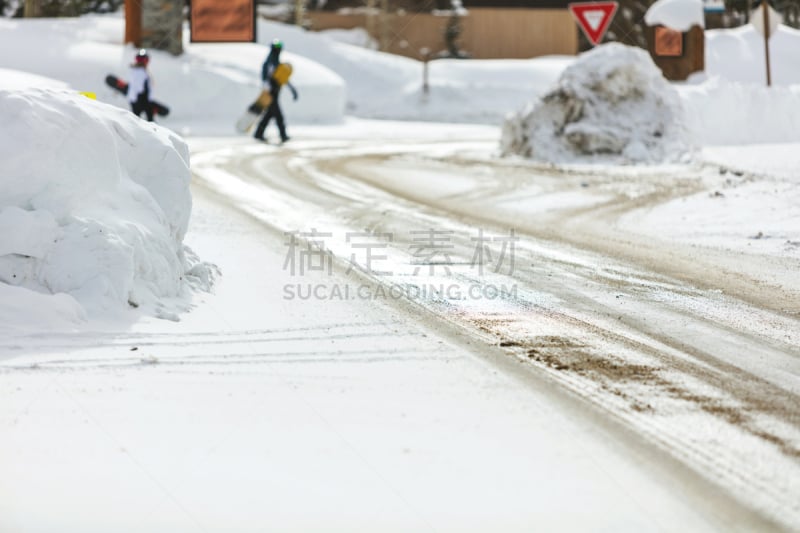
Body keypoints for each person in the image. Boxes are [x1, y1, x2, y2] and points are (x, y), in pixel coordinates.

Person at [254, 39, 298, 143]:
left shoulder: (277, 63)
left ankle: (258, 134)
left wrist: (292, 90)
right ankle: (283, 135)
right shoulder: (269, 63)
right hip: (271, 93)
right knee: (278, 115)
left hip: (275, 92)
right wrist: (267, 87)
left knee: (269, 115)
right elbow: (265, 77)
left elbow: (282, 77)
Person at [128, 49, 154, 122]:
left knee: (139, 120)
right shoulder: (139, 71)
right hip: (140, 99)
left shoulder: (140, 70)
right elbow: (139, 88)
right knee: (139, 121)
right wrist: (146, 101)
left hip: (139, 99)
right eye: (139, 59)